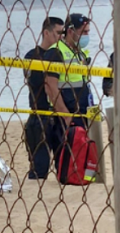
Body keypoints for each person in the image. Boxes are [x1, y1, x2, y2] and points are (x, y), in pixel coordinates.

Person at [23, 16, 67, 179]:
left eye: (63, 33)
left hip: (56, 115)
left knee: (63, 166)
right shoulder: (32, 56)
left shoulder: (59, 54)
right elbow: (36, 82)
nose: (60, 37)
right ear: (46, 33)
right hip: (39, 114)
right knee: (39, 168)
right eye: (57, 33)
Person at [52, 13, 94, 128]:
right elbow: (50, 87)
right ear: (70, 31)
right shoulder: (56, 52)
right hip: (67, 114)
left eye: (88, 32)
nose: (87, 36)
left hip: (83, 110)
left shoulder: (80, 53)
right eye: (84, 32)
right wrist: (65, 115)